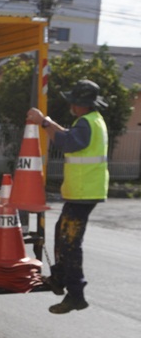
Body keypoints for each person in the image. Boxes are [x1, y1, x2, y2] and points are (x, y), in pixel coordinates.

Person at [26, 79, 109, 314]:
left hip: (83, 192)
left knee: (70, 244)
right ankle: (59, 279)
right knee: (62, 237)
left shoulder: (85, 123)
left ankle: (76, 295)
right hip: (84, 192)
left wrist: (43, 121)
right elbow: (68, 135)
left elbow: (66, 142)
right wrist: (48, 122)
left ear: (80, 103)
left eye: (73, 101)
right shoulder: (92, 121)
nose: (71, 105)